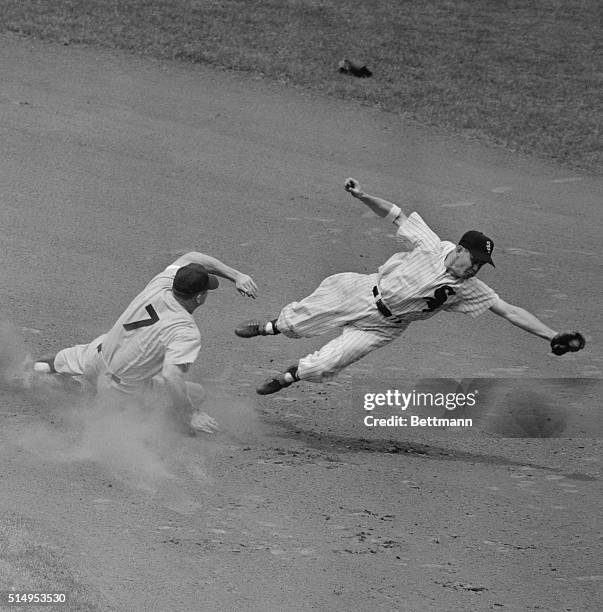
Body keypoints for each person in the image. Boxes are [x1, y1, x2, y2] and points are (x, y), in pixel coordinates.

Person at [235, 177, 586, 395]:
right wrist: (363, 196)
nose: (476, 268)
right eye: (473, 260)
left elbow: (509, 310)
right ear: (460, 250)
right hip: (360, 292)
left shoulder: (469, 286)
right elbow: (396, 215)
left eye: (481, 264)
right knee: (294, 323)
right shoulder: (432, 245)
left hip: (385, 327)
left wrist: (551, 335)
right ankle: (268, 328)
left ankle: (286, 378)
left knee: (324, 366)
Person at [34, 251, 258, 432]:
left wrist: (236, 275)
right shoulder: (185, 331)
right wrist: (190, 413)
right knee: (196, 394)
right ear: (200, 297)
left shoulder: (160, 284)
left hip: (96, 355)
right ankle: (94, 396)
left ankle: (38, 371)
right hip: (121, 392)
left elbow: (192, 256)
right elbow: (172, 375)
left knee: (59, 361)